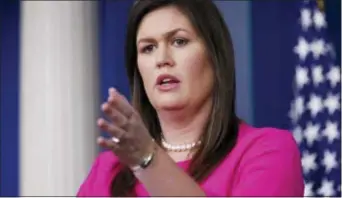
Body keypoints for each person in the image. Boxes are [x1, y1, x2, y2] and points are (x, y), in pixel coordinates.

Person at [77, 0, 304, 196]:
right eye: (148, 48)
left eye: (179, 41)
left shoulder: (267, 152)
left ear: (215, 58)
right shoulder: (108, 172)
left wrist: (148, 159)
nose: (162, 59)